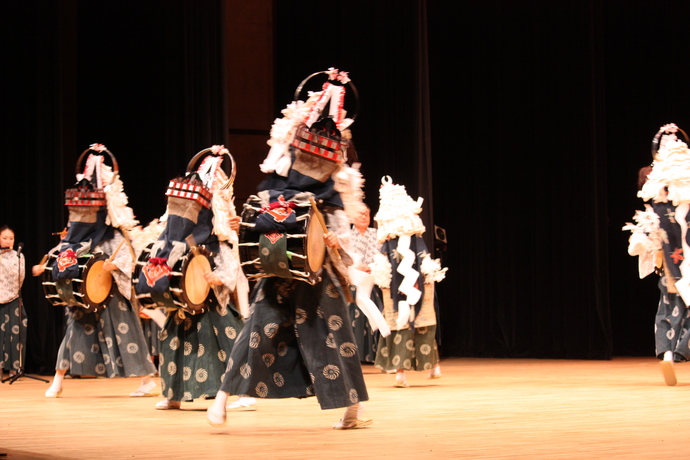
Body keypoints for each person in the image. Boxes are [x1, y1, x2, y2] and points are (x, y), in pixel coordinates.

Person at [206, 68, 372, 429]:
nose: (314, 165)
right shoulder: (277, 185)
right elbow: (261, 220)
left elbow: (347, 239)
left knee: (332, 335)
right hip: (280, 268)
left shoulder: (335, 192)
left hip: (318, 271)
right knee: (256, 329)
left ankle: (352, 409)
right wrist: (242, 225)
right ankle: (221, 398)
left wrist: (335, 242)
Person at [138, 145, 252, 411]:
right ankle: (174, 394)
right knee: (174, 341)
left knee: (226, 337)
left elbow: (228, 256)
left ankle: (246, 393)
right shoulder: (172, 236)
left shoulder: (212, 234)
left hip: (209, 295)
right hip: (183, 293)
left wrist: (220, 278)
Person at [41, 144, 157, 397]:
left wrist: (115, 265)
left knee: (127, 332)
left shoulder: (111, 234)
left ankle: (148, 380)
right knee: (73, 331)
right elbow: (60, 252)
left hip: (111, 290)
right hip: (86, 292)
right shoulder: (74, 239)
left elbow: (129, 255)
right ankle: (58, 380)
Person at [371, 177, 446, 387]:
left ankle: (407, 371)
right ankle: (427, 367)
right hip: (412, 284)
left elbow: (387, 262)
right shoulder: (408, 237)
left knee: (410, 324)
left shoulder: (396, 238)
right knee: (416, 323)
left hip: (406, 285)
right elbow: (422, 260)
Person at [633, 124, 690, 385]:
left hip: (670, 262)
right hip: (681, 260)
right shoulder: (675, 195)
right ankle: (674, 353)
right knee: (681, 309)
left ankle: (668, 353)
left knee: (669, 307)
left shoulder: (662, 201)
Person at [348, 205, 381, 363]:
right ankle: (354, 355)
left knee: (373, 314)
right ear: (353, 217)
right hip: (353, 282)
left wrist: (373, 267)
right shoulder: (347, 235)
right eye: (360, 214)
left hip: (372, 280)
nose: (364, 216)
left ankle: (374, 355)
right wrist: (355, 267)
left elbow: (382, 255)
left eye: (367, 214)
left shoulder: (376, 234)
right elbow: (342, 258)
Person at [0, 226, 25, 376]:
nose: (8, 241)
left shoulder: (18, 256)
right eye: (4, 238)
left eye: (11, 238)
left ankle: (14, 368)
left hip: (12, 298)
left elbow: (19, 277)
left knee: (14, 334)